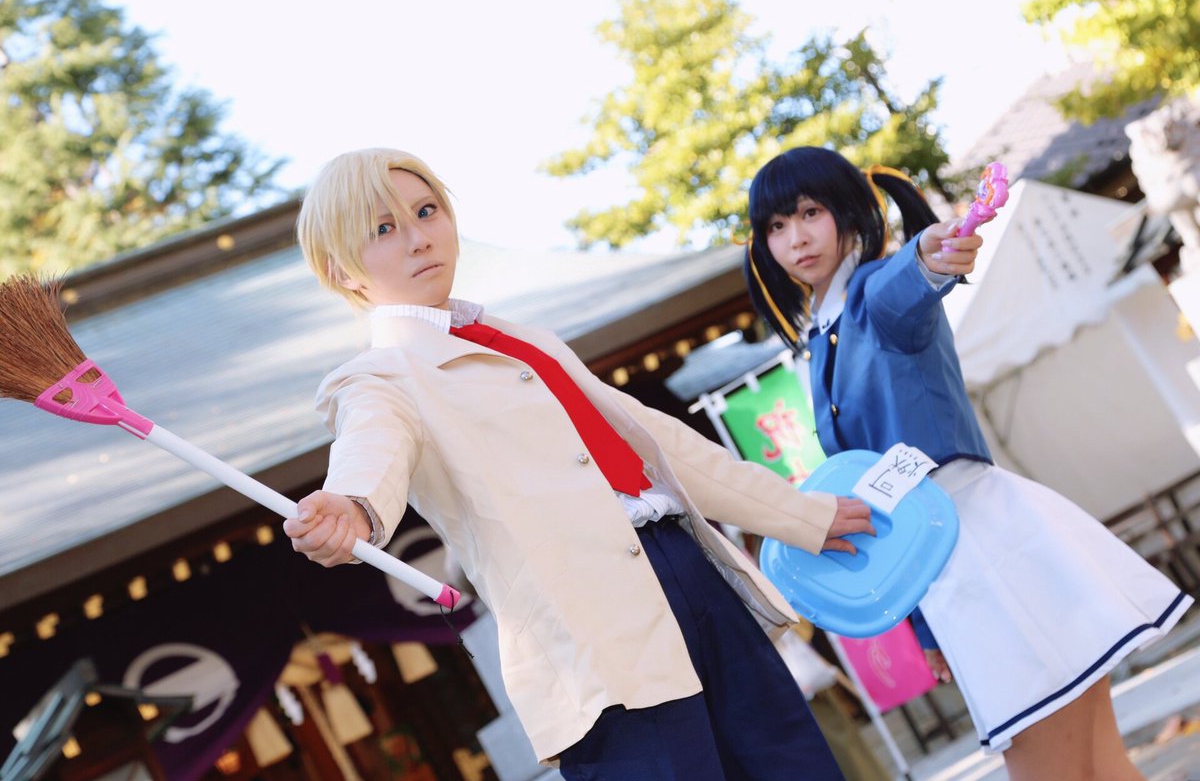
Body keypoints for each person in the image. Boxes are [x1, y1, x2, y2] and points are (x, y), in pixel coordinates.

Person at [283, 147, 877, 780]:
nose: (418, 238)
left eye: (427, 211)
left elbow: (658, 443)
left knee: (796, 767)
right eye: (383, 228)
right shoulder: (377, 379)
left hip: (691, 571)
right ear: (339, 269)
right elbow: (369, 443)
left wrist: (803, 516)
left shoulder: (519, 338)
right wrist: (351, 504)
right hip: (594, 639)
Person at [743, 145, 1194, 781]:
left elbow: (909, 281)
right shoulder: (821, 338)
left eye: (810, 212)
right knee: (1101, 769)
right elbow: (882, 509)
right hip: (958, 557)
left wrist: (929, 255)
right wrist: (926, 631)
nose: (796, 237)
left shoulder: (873, 297)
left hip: (981, 546)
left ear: (848, 211)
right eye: (777, 225)